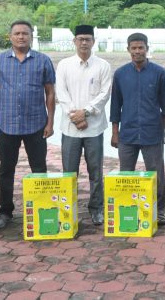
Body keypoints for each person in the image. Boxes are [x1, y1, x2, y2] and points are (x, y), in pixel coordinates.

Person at [0, 20, 56, 229]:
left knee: (39, 169)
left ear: (31, 37)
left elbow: (50, 92)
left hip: (36, 123)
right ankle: (5, 212)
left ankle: (41, 208)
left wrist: (50, 121)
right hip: (7, 124)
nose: (21, 37)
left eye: (25, 33)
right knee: (6, 169)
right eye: (17, 33)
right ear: (10, 37)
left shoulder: (43, 61)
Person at [110, 32, 165, 225]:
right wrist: (115, 133)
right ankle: (128, 209)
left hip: (151, 133)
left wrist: (159, 129)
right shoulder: (120, 74)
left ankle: (159, 210)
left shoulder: (159, 73)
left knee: (156, 174)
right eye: (134, 48)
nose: (138, 51)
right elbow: (115, 106)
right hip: (127, 134)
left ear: (147, 48)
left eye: (141, 47)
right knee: (126, 174)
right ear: (128, 50)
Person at [55, 25, 112, 226]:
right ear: (74, 41)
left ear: (93, 41)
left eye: (88, 39)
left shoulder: (103, 65)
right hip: (70, 129)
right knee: (69, 173)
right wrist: (76, 116)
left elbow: (105, 94)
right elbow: (61, 94)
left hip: (94, 128)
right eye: (80, 39)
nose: (84, 43)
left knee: (95, 171)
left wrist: (85, 112)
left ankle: (96, 209)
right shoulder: (64, 65)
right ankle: (68, 209)